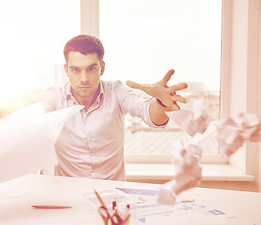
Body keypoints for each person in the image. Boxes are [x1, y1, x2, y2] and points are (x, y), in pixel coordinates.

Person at [40, 34, 187, 181]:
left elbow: (146, 112)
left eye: (91, 68)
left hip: (113, 197)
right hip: (69, 196)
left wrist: (161, 103)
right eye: (76, 70)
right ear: (66, 69)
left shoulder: (116, 91)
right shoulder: (55, 97)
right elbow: (35, 130)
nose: (84, 79)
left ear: (102, 68)